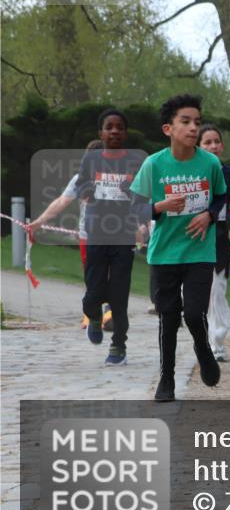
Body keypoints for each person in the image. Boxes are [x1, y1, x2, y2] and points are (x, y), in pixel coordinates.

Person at [130, 94, 225, 402]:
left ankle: (203, 348)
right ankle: (166, 378)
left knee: (195, 314)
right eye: (185, 122)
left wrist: (209, 214)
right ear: (168, 129)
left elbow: (222, 197)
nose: (193, 128)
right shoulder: (153, 164)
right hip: (164, 253)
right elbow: (135, 209)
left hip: (199, 251)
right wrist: (160, 205)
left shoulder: (210, 163)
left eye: (196, 122)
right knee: (168, 316)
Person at [70, 109, 145, 364]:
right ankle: (93, 316)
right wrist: (87, 189)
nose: (114, 131)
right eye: (109, 127)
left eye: (119, 127)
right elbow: (80, 184)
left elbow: (145, 193)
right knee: (93, 292)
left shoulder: (135, 161)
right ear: (100, 133)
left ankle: (118, 346)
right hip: (97, 233)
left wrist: (132, 189)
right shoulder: (92, 159)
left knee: (119, 294)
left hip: (124, 234)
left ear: (125, 133)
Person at [28, 139, 105, 329]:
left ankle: (111, 313)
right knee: (91, 275)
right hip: (89, 237)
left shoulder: (119, 178)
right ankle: (92, 314)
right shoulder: (80, 179)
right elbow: (62, 202)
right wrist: (39, 222)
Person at [198, 124, 230, 361]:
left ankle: (218, 341)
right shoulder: (191, 170)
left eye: (216, 141)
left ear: (221, 145)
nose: (213, 146)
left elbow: (228, 202)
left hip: (219, 238)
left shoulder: (227, 173)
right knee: (195, 293)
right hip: (193, 237)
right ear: (199, 146)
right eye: (207, 142)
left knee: (218, 289)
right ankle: (201, 337)